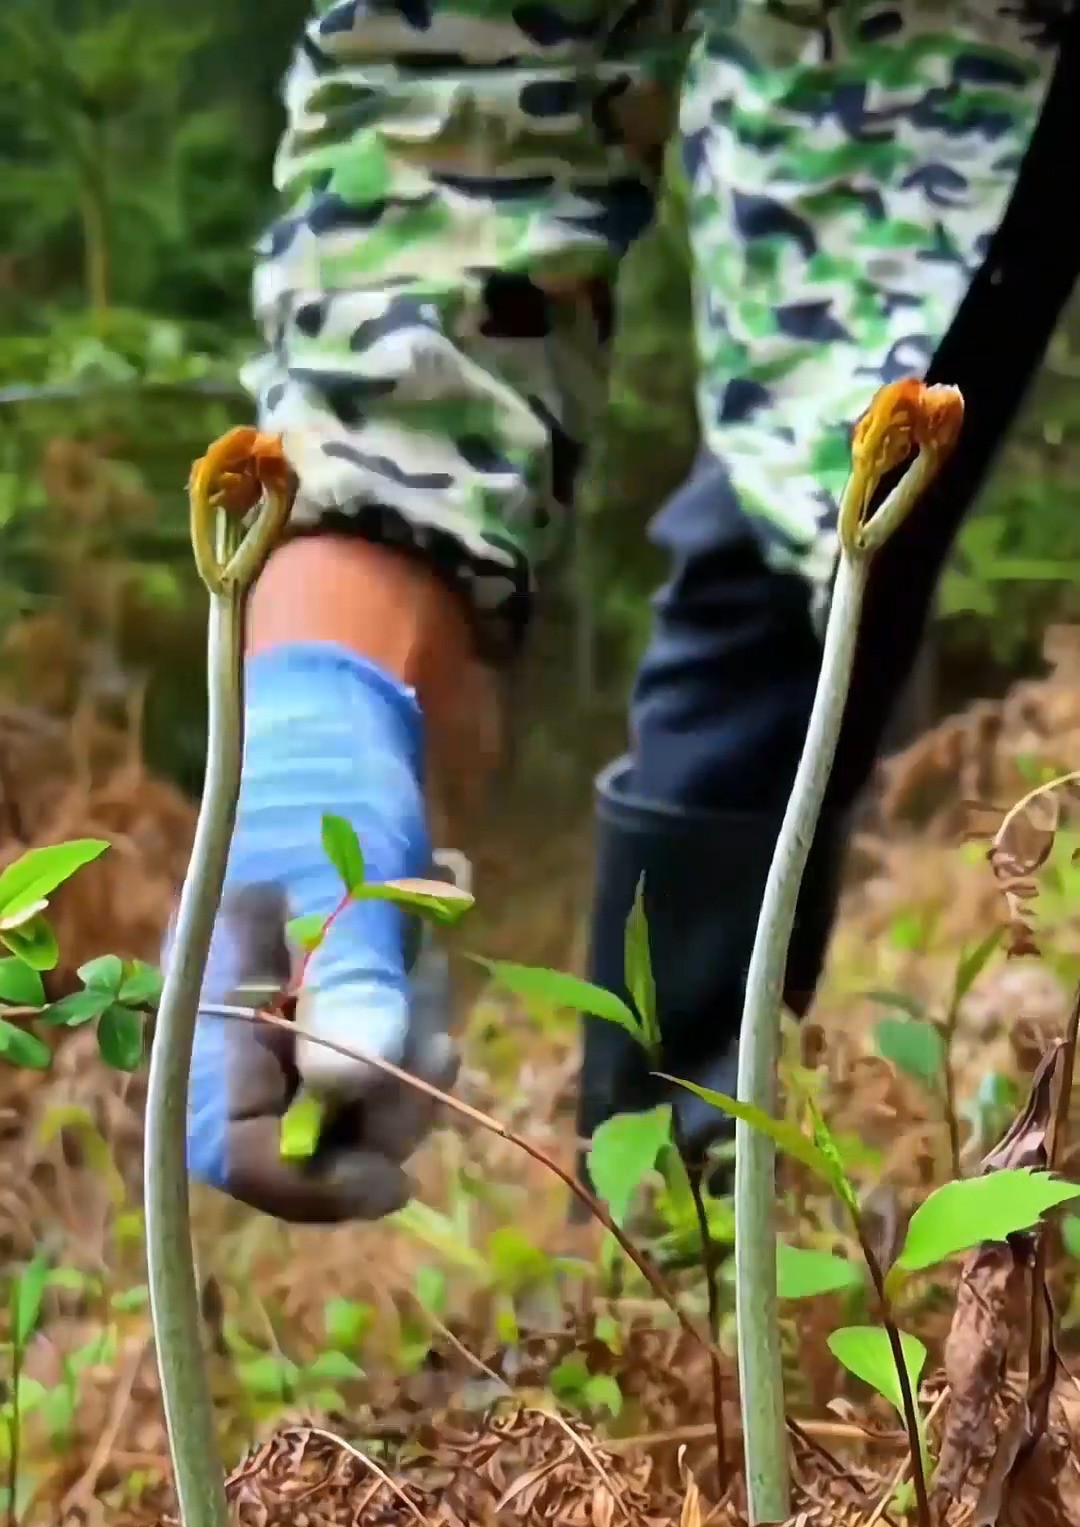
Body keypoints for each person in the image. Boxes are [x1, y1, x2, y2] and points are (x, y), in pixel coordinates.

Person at [184, 0, 1079, 1225]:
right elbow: (467, 73)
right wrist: (323, 700)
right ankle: (675, 1220)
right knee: (781, 580)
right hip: (879, 126)